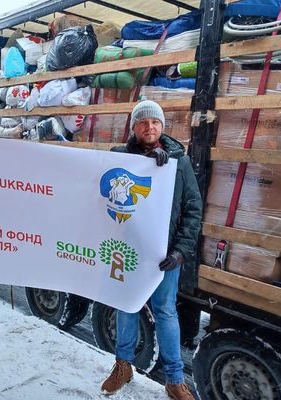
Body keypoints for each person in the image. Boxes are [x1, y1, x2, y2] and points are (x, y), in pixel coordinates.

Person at [100, 101, 202, 400]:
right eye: (143, 123)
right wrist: (141, 163)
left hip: (164, 256)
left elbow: (192, 208)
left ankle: (174, 380)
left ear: (162, 127)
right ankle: (123, 366)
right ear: (134, 128)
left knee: (166, 312)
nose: (150, 127)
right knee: (126, 306)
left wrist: (181, 252)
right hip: (126, 251)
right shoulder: (120, 158)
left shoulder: (178, 163)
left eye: (155, 123)